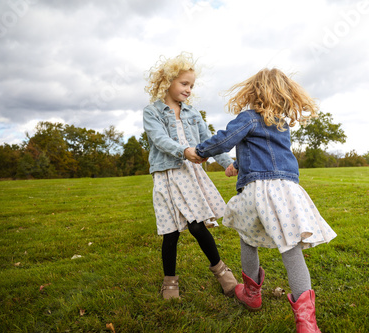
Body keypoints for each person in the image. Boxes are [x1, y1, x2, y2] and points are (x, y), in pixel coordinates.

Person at [194, 68, 337, 332]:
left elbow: (224, 140)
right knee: (290, 247)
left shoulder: (248, 118)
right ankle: (307, 323)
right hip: (286, 191)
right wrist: (238, 164)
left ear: (253, 92)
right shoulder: (281, 125)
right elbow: (265, 152)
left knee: (248, 238)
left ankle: (251, 294)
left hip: (258, 191)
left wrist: (199, 151)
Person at [143, 52, 238, 300]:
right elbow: (159, 139)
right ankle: (170, 282)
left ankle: (222, 272)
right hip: (166, 174)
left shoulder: (193, 113)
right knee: (171, 232)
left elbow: (208, 141)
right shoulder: (152, 112)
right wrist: (184, 151)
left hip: (190, 174)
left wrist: (227, 162)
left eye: (191, 86)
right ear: (167, 82)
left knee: (197, 226)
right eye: (184, 83)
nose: (188, 89)